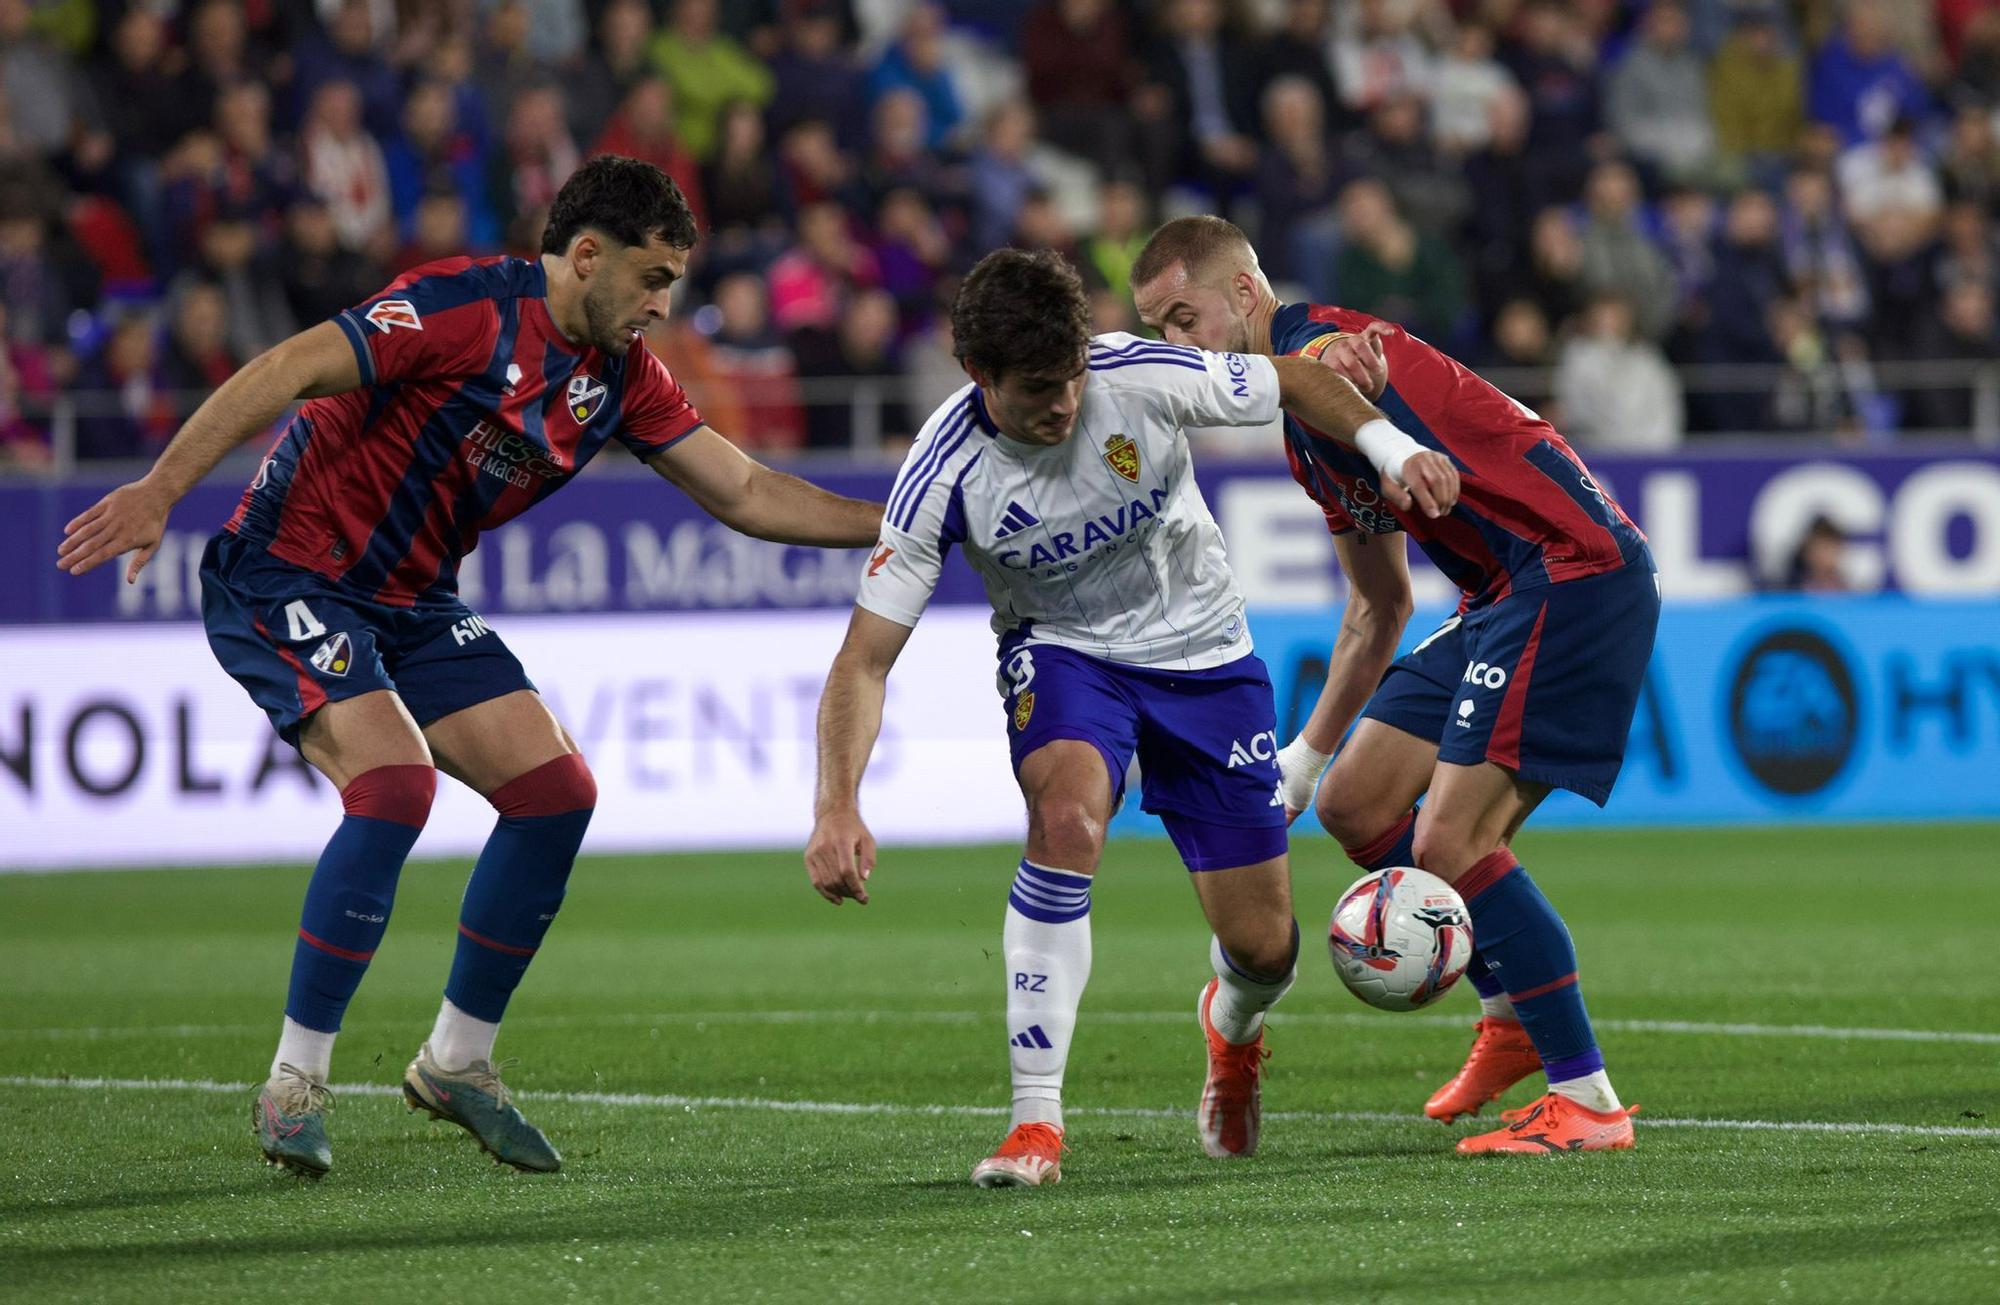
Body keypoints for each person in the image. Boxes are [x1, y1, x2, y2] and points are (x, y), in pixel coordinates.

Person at [55, 156, 883, 1180]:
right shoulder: (461, 309)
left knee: (554, 792)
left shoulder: (620, 377)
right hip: (286, 570)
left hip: (410, 601)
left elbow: (749, 492)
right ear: (585, 256)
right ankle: (294, 1082)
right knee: (393, 787)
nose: (665, 307)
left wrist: (905, 528)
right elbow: (288, 368)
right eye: (652, 279)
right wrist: (163, 487)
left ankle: (457, 1062)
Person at [803, 248, 1455, 1189]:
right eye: (1037, 390)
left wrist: (1397, 450)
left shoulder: (1136, 374)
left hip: (1207, 656)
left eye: (1070, 377)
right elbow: (863, 661)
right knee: (1065, 818)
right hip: (1066, 655)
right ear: (978, 376)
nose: (1065, 403)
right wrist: (837, 804)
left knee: (1266, 947)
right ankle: (1035, 1123)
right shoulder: (942, 473)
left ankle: (1231, 1025)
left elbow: (1298, 380)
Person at [1132, 217, 1659, 1156]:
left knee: (1455, 835)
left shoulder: (1317, 350)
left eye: (1183, 318)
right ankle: (1505, 1018)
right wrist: (1302, 758)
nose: (1176, 349)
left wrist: (1346, 360)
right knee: (1357, 801)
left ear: (1247, 296)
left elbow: (1344, 358)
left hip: (1572, 570)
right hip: (1503, 592)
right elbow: (1380, 604)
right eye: (1156, 332)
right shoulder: (1306, 438)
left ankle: (1589, 1102)